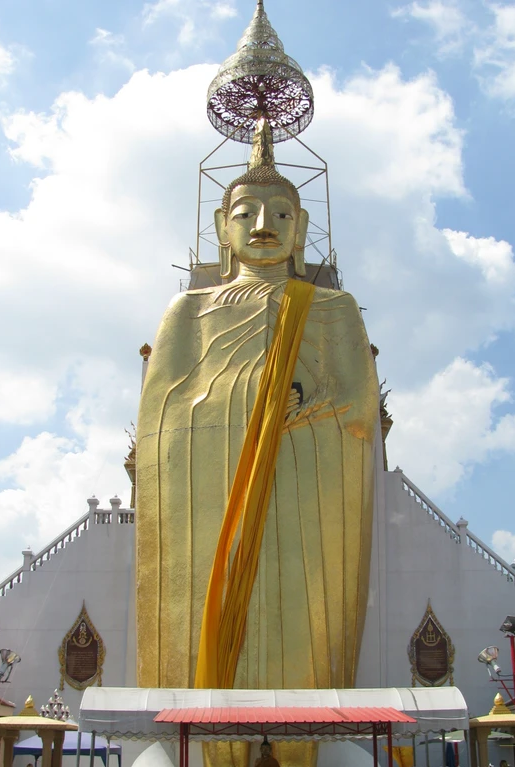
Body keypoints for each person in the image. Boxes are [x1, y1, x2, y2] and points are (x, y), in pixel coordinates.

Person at [136, 114, 379, 713]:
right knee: (208, 609)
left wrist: (304, 406)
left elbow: (359, 405)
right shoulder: (188, 308)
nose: (263, 225)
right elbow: (157, 415)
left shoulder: (332, 307)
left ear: (301, 229)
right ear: (223, 226)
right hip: (210, 486)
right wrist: (240, 402)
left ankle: (300, 757)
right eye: (246, 214)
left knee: (304, 604)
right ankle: (215, 752)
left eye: (280, 214)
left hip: (306, 481)